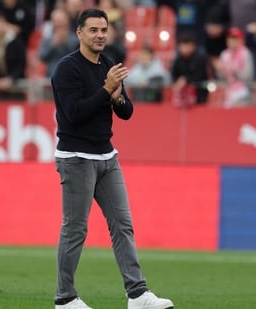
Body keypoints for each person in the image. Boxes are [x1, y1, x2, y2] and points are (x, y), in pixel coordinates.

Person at [50, 9, 174, 309]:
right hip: (76, 157)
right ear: (79, 33)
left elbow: (126, 112)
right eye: (93, 30)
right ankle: (64, 299)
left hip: (107, 155)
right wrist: (107, 89)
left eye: (104, 29)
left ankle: (137, 294)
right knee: (75, 229)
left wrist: (117, 96)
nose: (100, 35)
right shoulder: (67, 69)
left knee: (123, 224)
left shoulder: (108, 64)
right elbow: (74, 115)